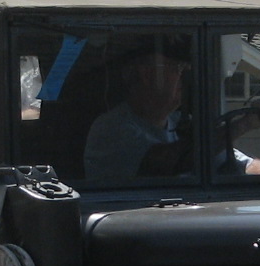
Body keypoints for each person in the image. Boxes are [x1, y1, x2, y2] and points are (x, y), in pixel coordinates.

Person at [83, 40, 194, 180]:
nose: (183, 76)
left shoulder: (180, 120)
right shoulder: (109, 127)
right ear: (146, 74)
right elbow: (165, 163)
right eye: (177, 68)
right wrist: (220, 137)